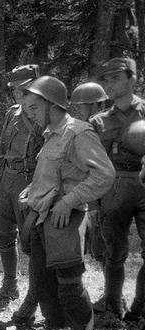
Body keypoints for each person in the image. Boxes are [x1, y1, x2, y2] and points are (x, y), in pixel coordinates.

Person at [21, 76, 114, 330]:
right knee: (46, 290)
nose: (31, 115)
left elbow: (104, 175)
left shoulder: (78, 132)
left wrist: (69, 200)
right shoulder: (50, 136)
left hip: (64, 221)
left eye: (34, 108)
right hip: (42, 221)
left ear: (52, 105)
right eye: (27, 109)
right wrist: (32, 190)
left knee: (70, 289)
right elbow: (56, 174)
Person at [0, 64, 44, 326]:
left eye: (22, 88)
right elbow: (2, 148)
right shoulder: (12, 114)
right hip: (8, 179)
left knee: (32, 241)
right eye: (14, 89)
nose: (17, 93)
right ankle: (10, 284)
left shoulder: (41, 114)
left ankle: (33, 298)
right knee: (3, 235)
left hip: (29, 181)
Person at [90, 57, 145, 322]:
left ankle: (138, 310)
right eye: (106, 80)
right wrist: (92, 204)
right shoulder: (98, 121)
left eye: (116, 79)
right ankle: (113, 306)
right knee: (114, 252)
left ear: (132, 79)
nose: (109, 85)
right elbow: (90, 164)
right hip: (112, 187)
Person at [70, 82, 109, 294]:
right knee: (96, 246)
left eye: (83, 105)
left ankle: (113, 296)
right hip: (89, 193)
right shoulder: (88, 125)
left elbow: (96, 169)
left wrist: (94, 204)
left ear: (95, 104)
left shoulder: (98, 127)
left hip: (101, 195)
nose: (80, 109)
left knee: (103, 246)